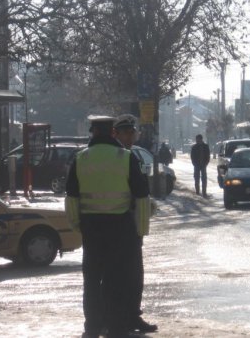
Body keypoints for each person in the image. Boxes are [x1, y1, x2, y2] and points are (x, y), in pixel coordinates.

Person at [65, 115, 151, 338]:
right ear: (113, 133)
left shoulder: (80, 158)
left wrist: (77, 224)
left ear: (92, 132)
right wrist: (140, 230)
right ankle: (117, 327)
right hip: (120, 229)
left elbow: (71, 196)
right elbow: (142, 196)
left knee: (92, 280)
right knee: (118, 279)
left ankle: (92, 326)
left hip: (91, 229)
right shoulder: (125, 157)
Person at [112, 114, 158, 334]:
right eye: (126, 132)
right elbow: (139, 191)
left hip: (122, 224)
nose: (130, 136)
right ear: (116, 134)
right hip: (122, 223)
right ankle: (122, 318)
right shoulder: (120, 157)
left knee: (132, 275)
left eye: (132, 132)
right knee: (125, 275)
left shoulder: (130, 155)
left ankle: (130, 316)